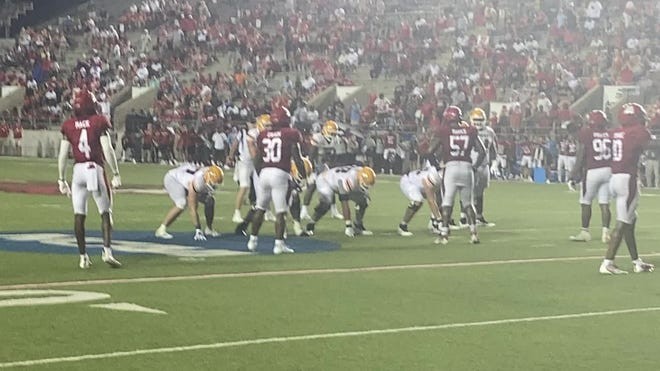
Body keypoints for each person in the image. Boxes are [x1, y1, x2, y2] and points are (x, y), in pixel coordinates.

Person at [57, 90, 122, 269]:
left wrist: (61, 179)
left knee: (79, 215)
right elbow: (107, 150)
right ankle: (107, 252)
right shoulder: (98, 121)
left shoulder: (69, 125)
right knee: (105, 212)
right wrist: (116, 173)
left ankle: (83, 257)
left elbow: (62, 154)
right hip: (94, 169)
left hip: (78, 171)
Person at [599, 103, 654, 275]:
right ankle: (607, 262)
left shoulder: (615, 132)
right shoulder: (639, 131)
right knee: (623, 222)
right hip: (627, 179)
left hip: (614, 177)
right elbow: (651, 148)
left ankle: (636, 261)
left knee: (630, 221)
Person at [246, 106, 306, 254]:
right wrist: (304, 175)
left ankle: (252, 241)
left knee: (260, 208)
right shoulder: (290, 133)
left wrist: (261, 173)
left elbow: (257, 158)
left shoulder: (263, 134)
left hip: (265, 172)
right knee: (281, 211)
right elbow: (297, 157)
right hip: (280, 173)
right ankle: (279, 245)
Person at [431, 106, 486, 245]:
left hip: (451, 167)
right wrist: (474, 166)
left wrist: (436, 161)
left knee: (447, 202)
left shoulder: (444, 131)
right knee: (468, 203)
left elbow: (431, 149)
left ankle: (444, 235)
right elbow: (482, 151)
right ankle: (474, 234)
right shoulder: (470, 130)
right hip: (467, 168)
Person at [568, 110, 612, 243]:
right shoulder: (610, 134)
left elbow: (581, 155)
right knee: (604, 203)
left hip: (593, 170)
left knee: (586, 202)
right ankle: (606, 233)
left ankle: (585, 232)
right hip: (608, 170)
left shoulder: (586, 133)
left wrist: (572, 174)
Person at [154, 164, 224, 240]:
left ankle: (209, 229)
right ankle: (161, 229)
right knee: (181, 203)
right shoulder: (198, 181)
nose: (214, 185)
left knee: (210, 201)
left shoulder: (208, 172)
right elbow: (192, 208)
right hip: (173, 179)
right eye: (213, 183)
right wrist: (198, 229)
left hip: (187, 179)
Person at [305, 165, 376, 237]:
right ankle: (310, 225)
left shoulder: (361, 172)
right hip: (325, 180)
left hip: (339, 180)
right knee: (326, 204)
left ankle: (358, 226)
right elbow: (344, 202)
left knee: (364, 200)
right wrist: (348, 225)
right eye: (366, 184)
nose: (367, 187)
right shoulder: (349, 180)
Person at [468, 107, 497, 226]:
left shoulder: (490, 131)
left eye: (480, 119)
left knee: (480, 191)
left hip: (484, 165)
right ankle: (464, 217)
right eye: (476, 119)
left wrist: (494, 163)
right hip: (471, 164)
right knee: (468, 191)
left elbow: (493, 149)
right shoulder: (467, 130)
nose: (478, 122)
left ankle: (479, 216)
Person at [397, 167, 442, 237]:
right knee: (418, 200)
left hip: (418, 181)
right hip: (409, 182)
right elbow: (431, 201)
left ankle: (434, 224)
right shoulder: (431, 178)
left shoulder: (437, 174)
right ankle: (402, 226)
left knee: (439, 198)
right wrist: (440, 220)